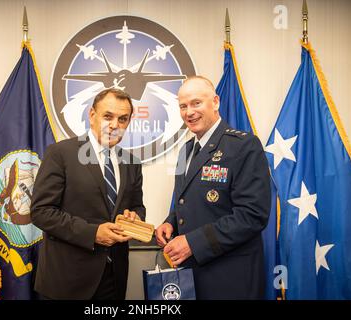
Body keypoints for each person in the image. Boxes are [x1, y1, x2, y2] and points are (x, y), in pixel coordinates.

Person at [156, 76, 271, 299]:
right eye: (183, 106)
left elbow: (253, 215)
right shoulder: (186, 151)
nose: (189, 112)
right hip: (191, 276)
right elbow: (188, 201)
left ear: (215, 102)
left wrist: (193, 242)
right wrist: (170, 222)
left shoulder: (244, 145)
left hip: (230, 277)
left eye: (196, 103)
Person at [30, 88, 145, 300]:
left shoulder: (132, 163)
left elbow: (138, 206)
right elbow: (41, 212)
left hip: (113, 279)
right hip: (67, 281)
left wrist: (134, 218)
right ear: (92, 115)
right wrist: (92, 234)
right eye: (108, 116)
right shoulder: (60, 153)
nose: (114, 125)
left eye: (122, 119)